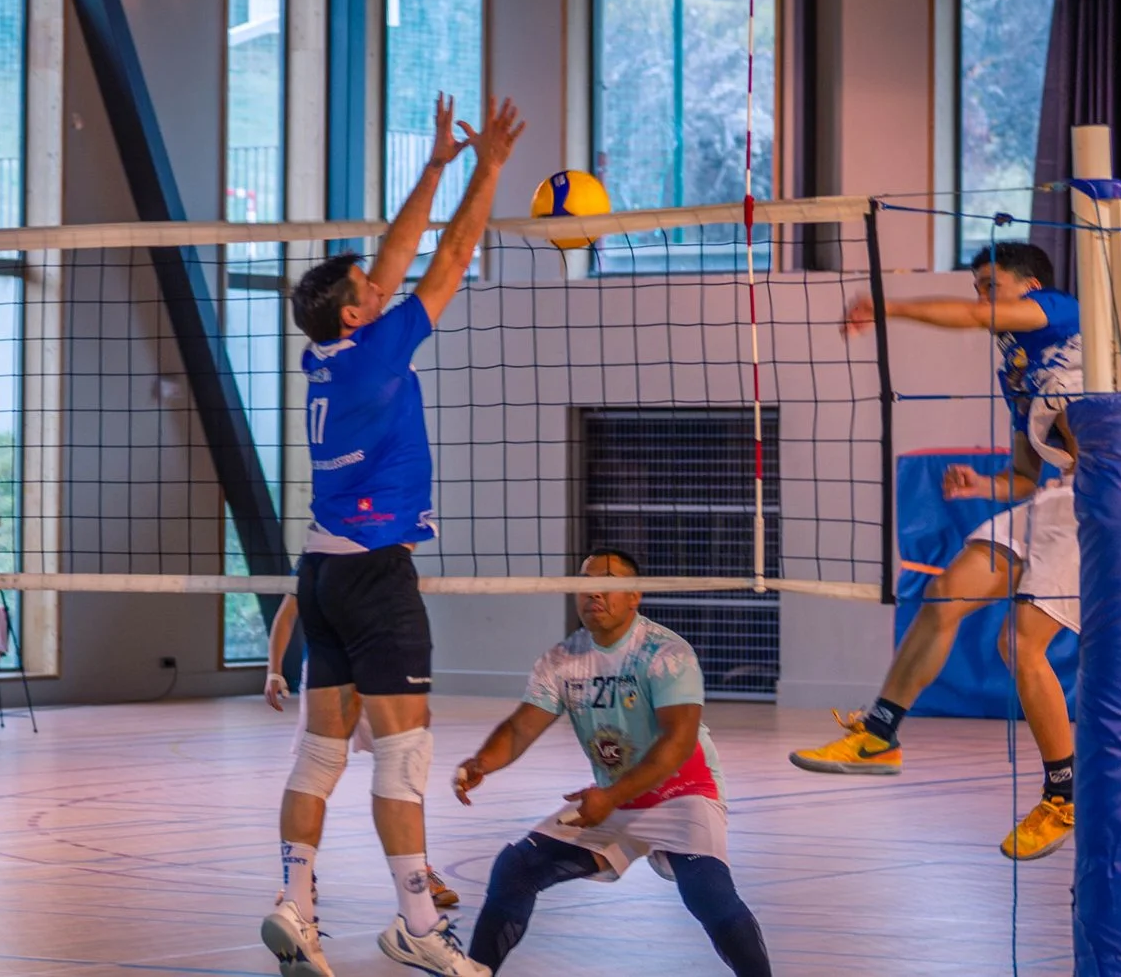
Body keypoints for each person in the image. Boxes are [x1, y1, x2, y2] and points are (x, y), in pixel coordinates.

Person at [260, 91, 522, 977]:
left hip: (321, 575)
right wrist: (487, 168)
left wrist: (435, 167)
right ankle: (416, 923)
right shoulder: (375, 349)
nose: (384, 287)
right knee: (403, 758)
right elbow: (447, 255)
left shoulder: (323, 355)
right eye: (372, 293)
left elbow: (394, 256)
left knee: (320, 753)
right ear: (355, 316)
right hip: (374, 578)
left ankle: (294, 904)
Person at [793, 241, 1085, 861]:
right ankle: (879, 734)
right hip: (1051, 497)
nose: (980, 298)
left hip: (1097, 502)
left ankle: (1063, 794)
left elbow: (974, 319)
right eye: (976, 285)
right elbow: (1027, 475)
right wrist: (984, 486)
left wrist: (885, 307)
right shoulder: (1018, 370)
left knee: (1020, 643)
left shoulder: (1057, 312)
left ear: (1029, 287)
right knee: (943, 594)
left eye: (989, 284)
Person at [452, 551, 772, 975]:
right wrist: (482, 762)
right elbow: (520, 728)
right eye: (586, 585)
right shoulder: (562, 659)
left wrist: (611, 797)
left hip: (683, 792)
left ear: (635, 596)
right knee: (517, 867)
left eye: (608, 583)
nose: (595, 592)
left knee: (708, 895)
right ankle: (477, 969)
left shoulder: (666, 653)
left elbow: (677, 743)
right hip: (615, 797)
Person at [260, 595, 458, 912]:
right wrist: (274, 670)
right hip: (331, 667)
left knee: (406, 766)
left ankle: (419, 874)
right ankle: (298, 878)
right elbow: (286, 615)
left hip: (385, 667)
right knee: (315, 767)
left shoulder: (388, 556)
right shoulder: (322, 555)